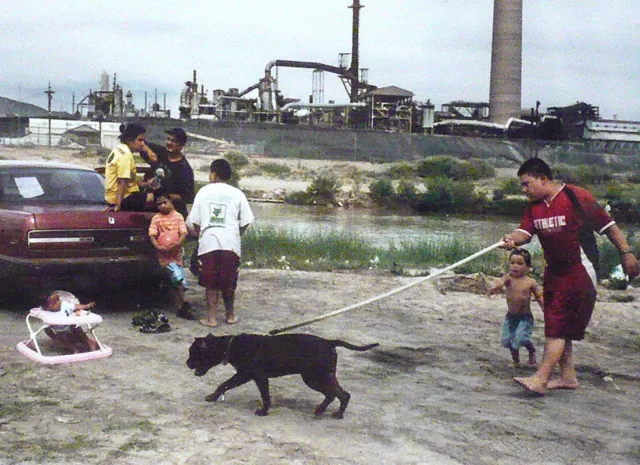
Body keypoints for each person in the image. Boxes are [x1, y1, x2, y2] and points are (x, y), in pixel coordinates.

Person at [501, 157, 639, 396]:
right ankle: (567, 377)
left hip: (580, 270)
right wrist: (511, 239)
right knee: (557, 324)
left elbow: (610, 228)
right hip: (553, 271)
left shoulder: (577, 197)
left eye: (526, 184)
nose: (524, 190)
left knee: (557, 328)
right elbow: (524, 232)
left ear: (543, 179)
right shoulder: (534, 207)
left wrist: (626, 254)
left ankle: (541, 379)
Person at [186, 159, 254, 327]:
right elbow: (246, 221)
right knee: (229, 281)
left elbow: (194, 221)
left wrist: (202, 233)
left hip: (209, 242)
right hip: (231, 243)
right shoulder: (238, 193)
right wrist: (237, 234)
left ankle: (212, 318)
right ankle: (230, 315)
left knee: (211, 283)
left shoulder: (203, 192)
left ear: (214, 174)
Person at [487, 248, 543, 367]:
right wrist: (494, 288)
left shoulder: (530, 282)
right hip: (511, 316)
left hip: (525, 317)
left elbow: (539, 296)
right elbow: (500, 283)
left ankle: (531, 350)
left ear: (528, 267)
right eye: (512, 263)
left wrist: (545, 309)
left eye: (519, 263)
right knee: (508, 340)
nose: (515, 266)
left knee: (520, 338)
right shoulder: (508, 279)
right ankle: (516, 360)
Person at [148, 190, 195, 320]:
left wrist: (177, 244)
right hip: (164, 256)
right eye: (159, 204)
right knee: (177, 276)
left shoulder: (178, 216)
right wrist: (158, 246)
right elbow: (152, 234)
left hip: (177, 253)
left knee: (179, 279)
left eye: (165, 202)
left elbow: (183, 233)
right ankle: (184, 303)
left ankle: (180, 305)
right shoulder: (156, 218)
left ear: (171, 202)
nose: (162, 206)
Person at [139, 127, 195, 220]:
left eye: (173, 141)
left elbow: (187, 197)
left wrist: (166, 196)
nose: (169, 143)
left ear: (181, 145)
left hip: (172, 211)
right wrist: (149, 152)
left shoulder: (185, 169)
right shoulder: (161, 153)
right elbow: (142, 144)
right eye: (168, 139)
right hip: (153, 204)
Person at [104, 122, 155, 211]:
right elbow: (121, 181)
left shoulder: (118, 149)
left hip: (111, 196)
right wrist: (118, 206)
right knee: (160, 197)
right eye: (140, 140)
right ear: (129, 140)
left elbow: (129, 182)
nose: (143, 144)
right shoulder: (126, 155)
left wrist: (147, 184)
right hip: (124, 198)